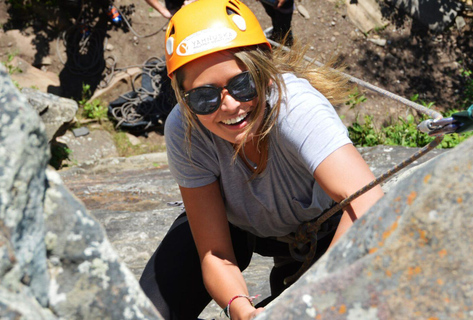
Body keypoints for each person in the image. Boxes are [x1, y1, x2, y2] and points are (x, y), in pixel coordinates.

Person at [139, 0, 384, 319]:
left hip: (317, 233)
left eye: (242, 85)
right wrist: (240, 308)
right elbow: (216, 252)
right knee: (147, 311)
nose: (229, 106)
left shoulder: (296, 107)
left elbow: (368, 203)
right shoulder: (184, 129)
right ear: (184, 100)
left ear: (265, 70)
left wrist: (311, 294)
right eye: (204, 97)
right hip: (237, 226)